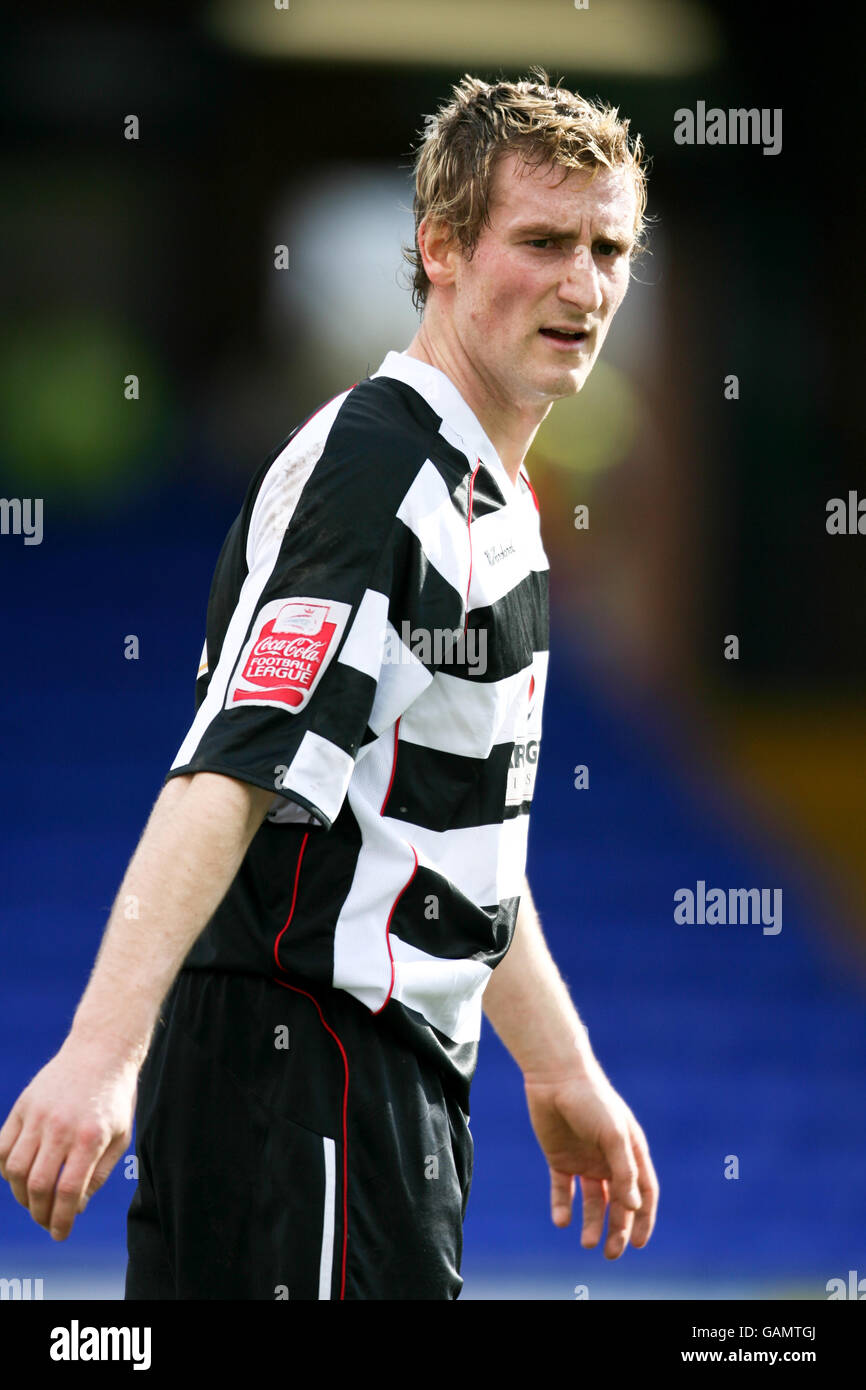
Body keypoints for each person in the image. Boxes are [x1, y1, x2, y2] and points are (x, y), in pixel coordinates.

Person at [0, 70, 659, 1300]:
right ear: (443, 248)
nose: (582, 284)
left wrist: (557, 1066)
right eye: (542, 241)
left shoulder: (496, 503)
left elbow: (446, 841)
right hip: (297, 1069)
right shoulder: (380, 470)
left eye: (606, 247)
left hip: (385, 1091)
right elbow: (231, 765)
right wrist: (100, 1053)